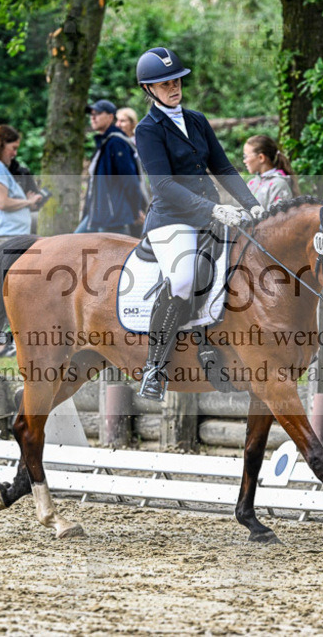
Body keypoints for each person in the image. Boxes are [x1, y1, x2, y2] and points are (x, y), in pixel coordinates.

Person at [133, 46, 265, 400]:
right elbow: (163, 185)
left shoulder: (196, 120)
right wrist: (213, 209)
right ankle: (154, 369)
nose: (173, 87)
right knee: (183, 279)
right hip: (171, 219)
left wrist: (253, 205)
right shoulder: (147, 130)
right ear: (149, 89)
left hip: (211, 213)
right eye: (165, 84)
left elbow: (223, 167)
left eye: (176, 80)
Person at [0, 125, 43, 356]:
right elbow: (1, 202)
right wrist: (28, 203)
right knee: (4, 292)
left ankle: (4, 341)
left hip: (5, 237)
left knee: (9, 290)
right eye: (12, 148)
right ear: (0, 144)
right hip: (1, 238)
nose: (14, 153)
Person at [77, 99, 146, 235]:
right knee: (73, 243)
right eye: (91, 114)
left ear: (110, 117)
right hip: (96, 215)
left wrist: (136, 210)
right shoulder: (105, 142)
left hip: (113, 218)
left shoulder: (116, 143)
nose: (93, 117)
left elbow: (130, 180)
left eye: (97, 113)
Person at [242, 134, 301, 210]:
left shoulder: (279, 185)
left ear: (261, 158)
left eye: (246, 156)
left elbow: (280, 216)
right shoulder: (252, 183)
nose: (244, 161)